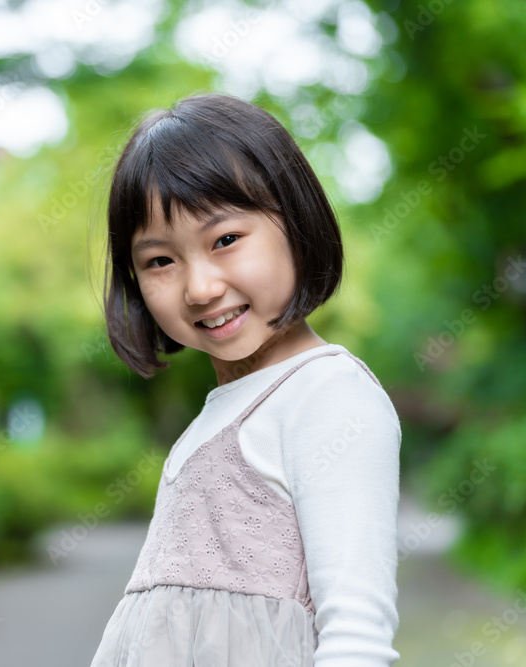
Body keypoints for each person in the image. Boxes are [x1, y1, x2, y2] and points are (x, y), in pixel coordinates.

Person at [88, 92, 401, 666]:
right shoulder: (218, 414)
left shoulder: (327, 395)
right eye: (160, 260)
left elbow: (356, 634)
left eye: (226, 240)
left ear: (297, 223)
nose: (200, 287)